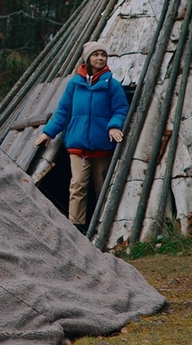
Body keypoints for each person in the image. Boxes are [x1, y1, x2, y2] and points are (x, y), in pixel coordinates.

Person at [36, 42, 129, 228]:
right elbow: (63, 111)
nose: (100, 58)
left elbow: (120, 109)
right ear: (88, 58)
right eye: (96, 55)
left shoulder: (112, 85)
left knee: (102, 187)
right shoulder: (74, 85)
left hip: (102, 145)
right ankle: (76, 227)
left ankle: (104, 226)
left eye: (103, 55)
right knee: (77, 186)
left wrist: (113, 126)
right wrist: (49, 132)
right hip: (78, 146)